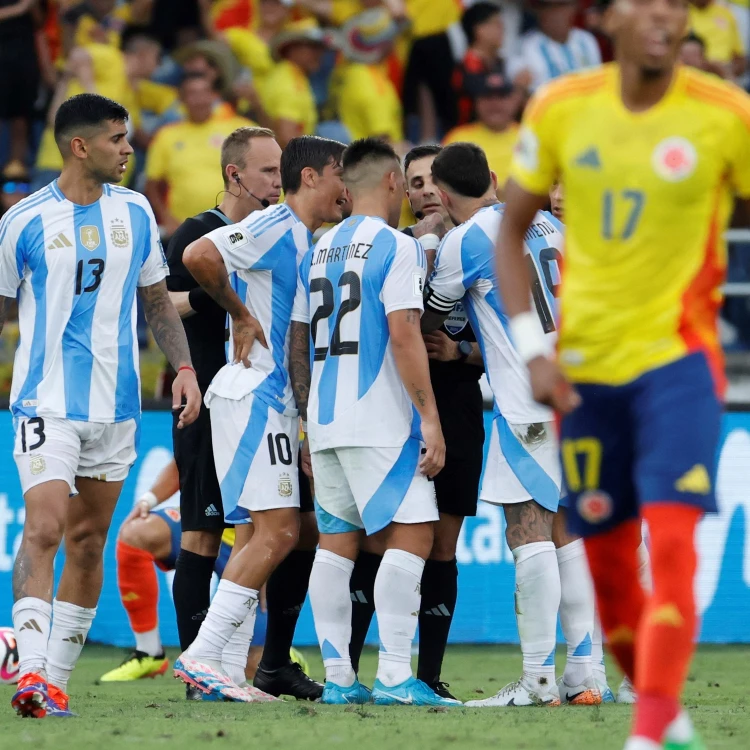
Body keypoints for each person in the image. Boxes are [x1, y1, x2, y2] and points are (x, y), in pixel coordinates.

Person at [496, 0, 750, 744]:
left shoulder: (725, 112)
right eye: (645, 1)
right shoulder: (561, 106)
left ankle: (648, 728)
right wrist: (533, 350)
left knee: (670, 544)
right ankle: (666, 718)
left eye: (676, 3)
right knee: (607, 573)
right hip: (584, 375)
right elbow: (511, 232)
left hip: (679, 362)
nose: (663, 15)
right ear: (607, 17)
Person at [1, 93, 201, 719]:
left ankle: (54, 682)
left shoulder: (137, 212)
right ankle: (29, 672)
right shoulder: (23, 221)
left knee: (89, 542)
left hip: (117, 410)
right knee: (43, 528)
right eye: (118, 139)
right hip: (46, 403)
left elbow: (158, 302)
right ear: (79, 146)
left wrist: (186, 367)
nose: (129, 149)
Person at [421, 142, 598, 707]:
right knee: (569, 531)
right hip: (580, 395)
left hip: (526, 402)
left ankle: (539, 680)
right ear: (493, 179)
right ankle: (586, 674)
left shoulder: (464, 239)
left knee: (528, 533)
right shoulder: (550, 226)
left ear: (444, 196)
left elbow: (434, 314)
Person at [173, 135, 347, 702]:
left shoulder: (304, 238)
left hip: (271, 400)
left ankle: (224, 669)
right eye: (338, 174)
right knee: (281, 532)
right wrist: (241, 314)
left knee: (254, 533)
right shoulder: (276, 225)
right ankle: (202, 657)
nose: (345, 186)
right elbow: (200, 255)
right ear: (314, 178)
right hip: (254, 395)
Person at [289, 137, 458, 707]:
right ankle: (392, 676)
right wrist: (430, 419)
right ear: (392, 182)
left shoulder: (319, 245)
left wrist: (308, 421)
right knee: (414, 534)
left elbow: (303, 337)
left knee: (337, 544)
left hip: (327, 418)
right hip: (380, 417)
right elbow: (406, 333)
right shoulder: (395, 246)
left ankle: (339, 680)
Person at [345, 144, 484, 700]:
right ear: (400, 188)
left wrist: (462, 354)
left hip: (456, 406)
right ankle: (351, 671)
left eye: (432, 180)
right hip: (395, 410)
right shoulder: (393, 249)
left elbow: (498, 338)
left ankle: (428, 677)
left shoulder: (477, 249)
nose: (424, 190)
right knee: (376, 541)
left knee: (442, 544)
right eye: (415, 181)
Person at [160, 125, 285, 699]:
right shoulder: (197, 234)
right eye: (267, 172)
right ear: (234, 175)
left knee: (260, 531)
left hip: (263, 403)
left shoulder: (275, 233)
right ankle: (196, 670)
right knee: (202, 534)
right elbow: (160, 304)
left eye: (281, 170)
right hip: (207, 399)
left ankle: (237, 668)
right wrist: (223, 296)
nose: (277, 182)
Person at [144, 74, 251, 237]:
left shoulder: (239, 129)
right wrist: (167, 219)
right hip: (185, 229)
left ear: (214, 96)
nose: (199, 100)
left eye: (204, 93)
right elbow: (152, 185)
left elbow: (267, 169)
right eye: (193, 94)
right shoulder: (166, 135)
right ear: (181, 99)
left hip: (234, 226)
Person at [443, 71, 520, 197]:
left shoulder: (530, 136)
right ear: (477, 101)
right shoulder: (458, 139)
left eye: (502, 96)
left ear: (514, 100)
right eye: (488, 96)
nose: (495, 104)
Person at [261, 21, 329, 146]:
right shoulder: (289, 83)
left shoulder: (292, 75)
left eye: (320, 49)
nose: (319, 54)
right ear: (292, 49)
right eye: (312, 48)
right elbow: (288, 138)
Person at [513, 0, 602, 92]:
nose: (556, 12)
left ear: (575, 7)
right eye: (547, 5)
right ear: (537, 10)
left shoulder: (586, 40)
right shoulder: (526, 46)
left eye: (562, 4)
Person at [0, 0, 40, 176]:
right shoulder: (20, 5)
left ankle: (16, 170)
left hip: (24, 56)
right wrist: (21, 7)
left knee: (21, 117)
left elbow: (39, 22)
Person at [688, 0, 746, 80]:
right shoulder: (682, 13)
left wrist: (726, 73)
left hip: (724, 76)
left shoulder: (726, 13)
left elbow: (740, 59)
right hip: (691, 74)